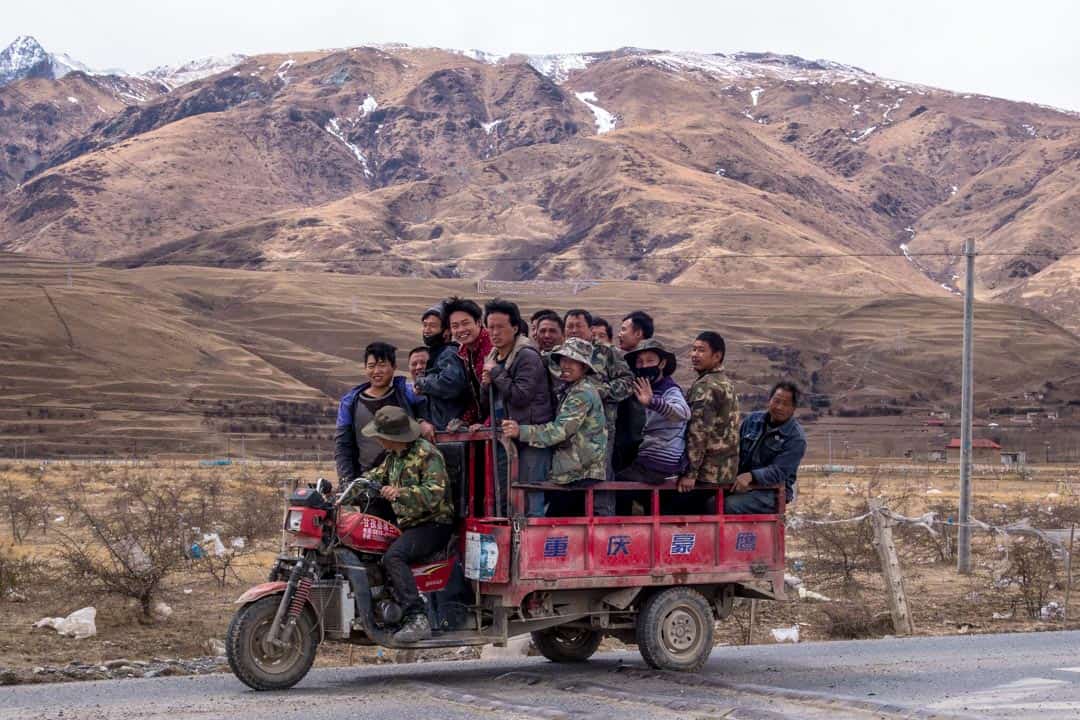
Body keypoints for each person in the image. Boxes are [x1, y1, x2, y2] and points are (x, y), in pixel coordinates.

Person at [348, 406, 454, 643]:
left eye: (379, 435)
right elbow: (371, 477)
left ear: (391, 437)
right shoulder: (393, 458)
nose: (376, 438)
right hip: (409, 524)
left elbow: (435, 492)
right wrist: (343, 493)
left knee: (393, 557)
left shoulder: (427, 454)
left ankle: (417, 618)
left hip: (434, 524)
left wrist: (400, 493)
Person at [502, 337, 610, 516]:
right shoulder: (571, 389)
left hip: (579, 473)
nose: (566, 365)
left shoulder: (582, 393)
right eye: (563, 360)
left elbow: (559, 431)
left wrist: (520, 431)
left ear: (584, 367)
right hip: (573, 472)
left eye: (573, 361)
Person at [478, 299, 555, 514]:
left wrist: (495, 374)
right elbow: (487, 404)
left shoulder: (527, 356)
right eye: (490, 327)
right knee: (507, 495)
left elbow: (521, 396)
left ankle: (531, 545)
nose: (494, 332)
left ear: (514, 327)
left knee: (530, 496)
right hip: (505, 436)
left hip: (530, 435)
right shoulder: (493, 357)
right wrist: (486, 384)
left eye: (500, 327)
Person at [564, 309, 633, 480]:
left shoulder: (606, 352)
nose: (573, 331)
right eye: (569, 326)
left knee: (599, 483)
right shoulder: (560, 355)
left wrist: (602, 391)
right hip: (567, 431)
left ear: (590, 329)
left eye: (578, 326)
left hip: (600, 430)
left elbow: (628, 381)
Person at [334, 342, 419, 483]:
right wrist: (346, 480)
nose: (376, 371)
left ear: (394, 367)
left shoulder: (407, 394)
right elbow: (343, 445)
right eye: (371, 366)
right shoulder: (350, 402)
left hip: (406, 480)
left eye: (382, 365)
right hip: (367, 481)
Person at [678, 332, 740, 513]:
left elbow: (699, 432)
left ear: (717, 356)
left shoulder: (707, 386)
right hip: (725, 472)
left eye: (701, 350)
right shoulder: (725, 383)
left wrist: (690, 474)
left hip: (706, 475)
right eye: (694, 349)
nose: (694, 355)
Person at [616, 339, 690, 490]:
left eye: (650, 361)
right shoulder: (645, 386)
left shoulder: (669, 389)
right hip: (646, 459)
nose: (644, 366)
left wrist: (652, 402)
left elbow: (683, 413)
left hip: (660, 464)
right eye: (640, 362)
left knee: (618, 485)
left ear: (662, 364)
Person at [727, 381, 807, 514]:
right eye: (776, 401)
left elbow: (779, 471)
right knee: (702, 499)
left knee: (726, 506)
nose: (779, 407)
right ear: (769, 400)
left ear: (794, 408)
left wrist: (751, 476)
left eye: (786, 404)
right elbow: (735, 451)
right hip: (741, 484)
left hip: (772, 492)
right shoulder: (752, 421)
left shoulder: (796, 438)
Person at [413, 303, 470, 431]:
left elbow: (451, 384)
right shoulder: (437, 353)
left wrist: (422, 382)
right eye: (425, 325)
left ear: (447, 331)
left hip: (450, 431)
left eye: (432, 326)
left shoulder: (449, 353)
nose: (427, 330)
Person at [444, 297, 492, 425]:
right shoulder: (464, 352)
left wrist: (486, 425)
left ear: (478, 322)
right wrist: (464, 421)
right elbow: (475, 395)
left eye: (465, 323)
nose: (460, 330)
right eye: (455, 326)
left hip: (502, 425)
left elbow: (502, 397)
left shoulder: (493, 347)